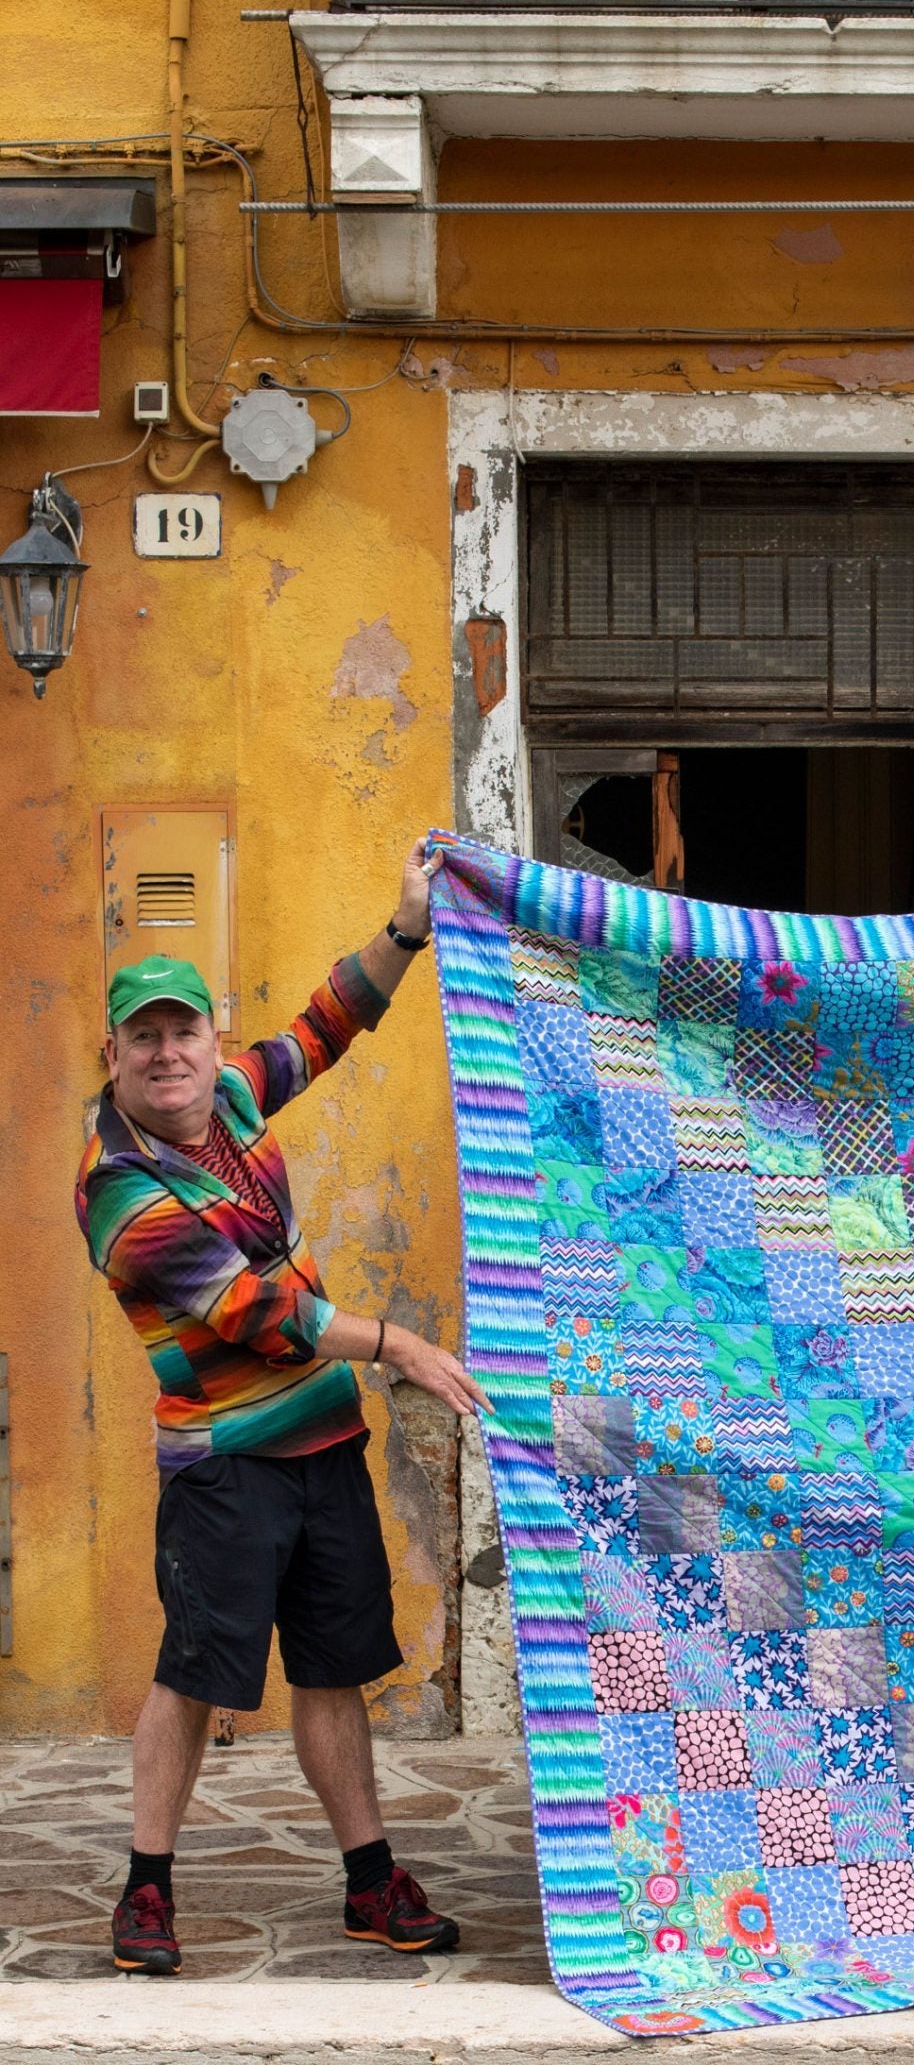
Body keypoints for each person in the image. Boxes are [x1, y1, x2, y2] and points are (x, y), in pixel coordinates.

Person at [75, 842, 490, 1976]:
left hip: (325, 1442)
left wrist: (406, 924)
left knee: (332, 1665)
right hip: (224, 1464)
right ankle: (146, 1886)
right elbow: (259, 1310)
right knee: (197, 1671)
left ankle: (371, 1879)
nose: (169, 1053)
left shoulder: (236, 1092)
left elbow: (328, 1018)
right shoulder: (117, 1186)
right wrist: (397, 1341)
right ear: (111, 1053)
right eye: (144, 1037)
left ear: (211, 1037)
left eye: (185, 1031)